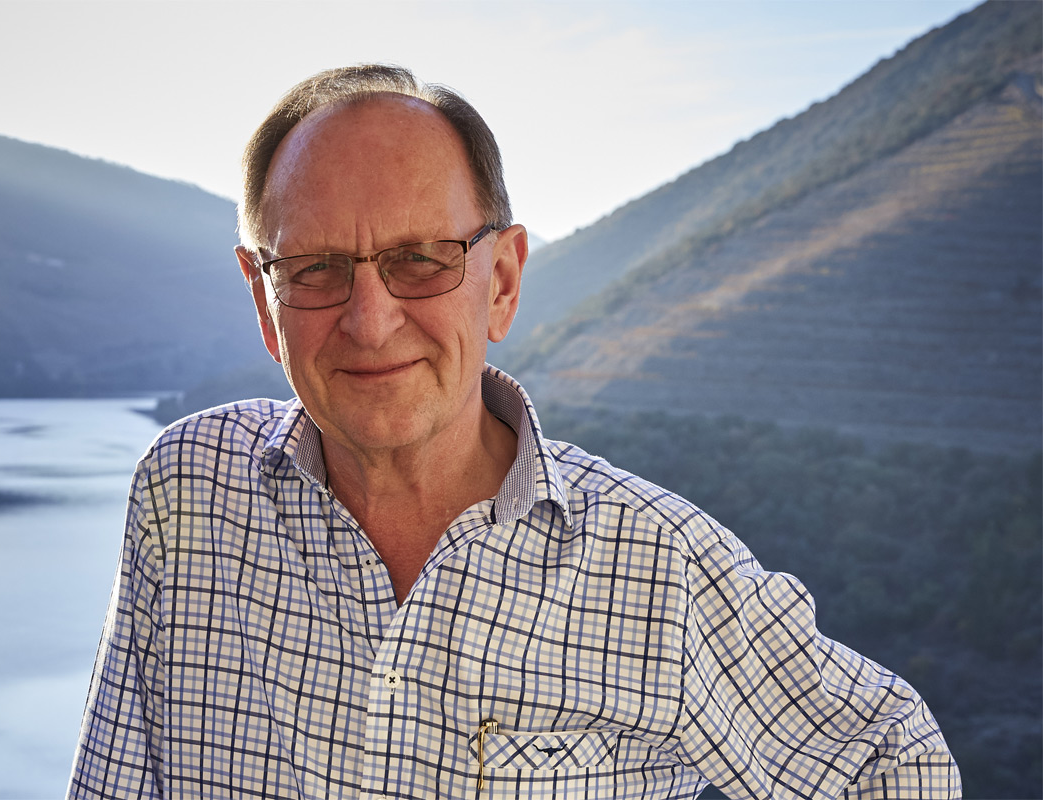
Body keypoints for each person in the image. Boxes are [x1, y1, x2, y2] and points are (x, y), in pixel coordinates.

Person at [68, 64, 960, 799]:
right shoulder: (187, 492)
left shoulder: (660, 570)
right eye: (316, 268)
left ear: (500, 282)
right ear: (265, 302)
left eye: (420, 259)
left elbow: (895, 762)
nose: (369, 321)